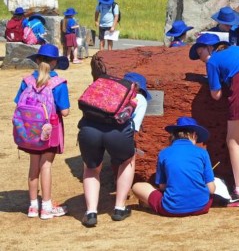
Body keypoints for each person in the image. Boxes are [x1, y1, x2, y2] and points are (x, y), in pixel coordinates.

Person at [189, 33, 239, 207]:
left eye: (200, 53)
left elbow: (216, 95)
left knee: (232, 141)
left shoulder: (212, 61)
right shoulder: (236, 49)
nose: (201, 58)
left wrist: (213, 79)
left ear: (208, 48)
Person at [78, 72, 150, 227]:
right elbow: (134, 128)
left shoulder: (106, 90)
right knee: (127, 160)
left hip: (89, 130)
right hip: (118, 133)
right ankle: (119, 208)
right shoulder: (140, 98)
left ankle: (91, 212)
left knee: (91, 168)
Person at [14, 44, 70, 219]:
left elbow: (19, 104)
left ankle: (32, 206)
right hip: (49, 131)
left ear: (37, 60)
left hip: (29, 131)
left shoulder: (27, 81)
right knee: (46, 166)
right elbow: (65, 112)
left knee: (33, 166)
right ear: (55, 62)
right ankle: (46, 207)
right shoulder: (58, 83)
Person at [132, 117, 215, 217]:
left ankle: (150, 203)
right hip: (202, 207)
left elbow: (162, 186)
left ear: (173, 135)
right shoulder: (202, 153)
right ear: (193, 135)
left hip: (171, 209)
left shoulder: (164, 153)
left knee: (137, 186)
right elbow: (211, 189)